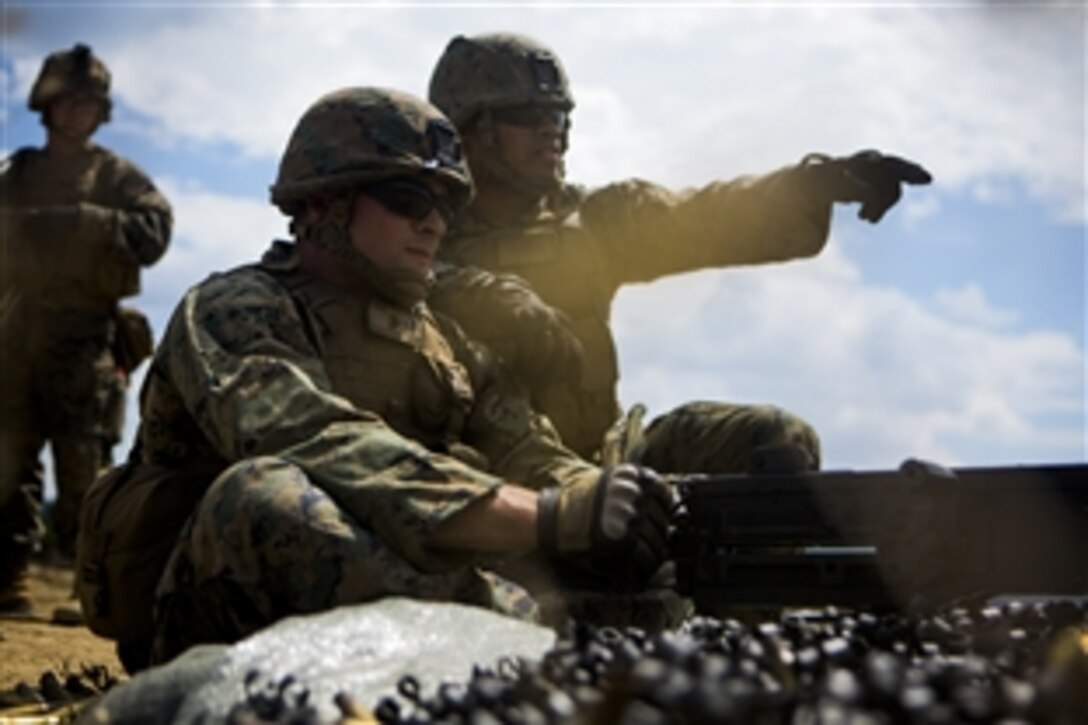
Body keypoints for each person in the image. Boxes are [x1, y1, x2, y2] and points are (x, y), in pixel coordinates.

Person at [77, 87, 672, 670]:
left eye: (446, 207)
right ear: (321, 205)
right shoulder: (235, 306)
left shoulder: (443, 340)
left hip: (393, 604)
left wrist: (609, 502)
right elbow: (314, 438)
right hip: (219, 627)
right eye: (409, 199)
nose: (435, 224)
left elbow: (524, 446)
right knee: (263, 495)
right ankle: (521, 644)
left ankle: (526, 642)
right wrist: (546, 516)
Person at [426, 32, 932, 473]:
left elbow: (701, 217)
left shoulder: (592, 221)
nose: (550, 129)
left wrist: (815, 185)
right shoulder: (409, 227)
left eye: (558, 114)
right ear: (470, 131)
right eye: (527, 114)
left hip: (595, 466)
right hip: (474, 482)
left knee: (775, 439)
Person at [0, 43, 172, 616]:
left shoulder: (118, 176)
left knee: (84, 466)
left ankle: (87, 586)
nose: (75, 111)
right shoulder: (17, 171)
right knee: (9, 461)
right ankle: (9, 581)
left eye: (86, 102)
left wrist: (84, 224)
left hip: (84, 336)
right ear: (45, 107)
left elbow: (154, 230)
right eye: (65, 101)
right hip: (16, 332)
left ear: (100, 112)